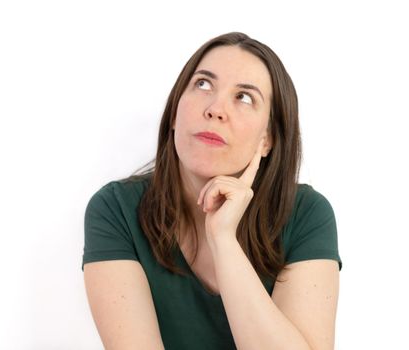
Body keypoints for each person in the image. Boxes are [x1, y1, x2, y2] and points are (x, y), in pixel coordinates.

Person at [82, 32, 342, 350]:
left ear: (268, 139)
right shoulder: (116, 209)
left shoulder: (306, 214)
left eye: (244, 97)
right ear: (175, 112)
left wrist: (223, 241)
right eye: (203, 84)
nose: (216, 109)